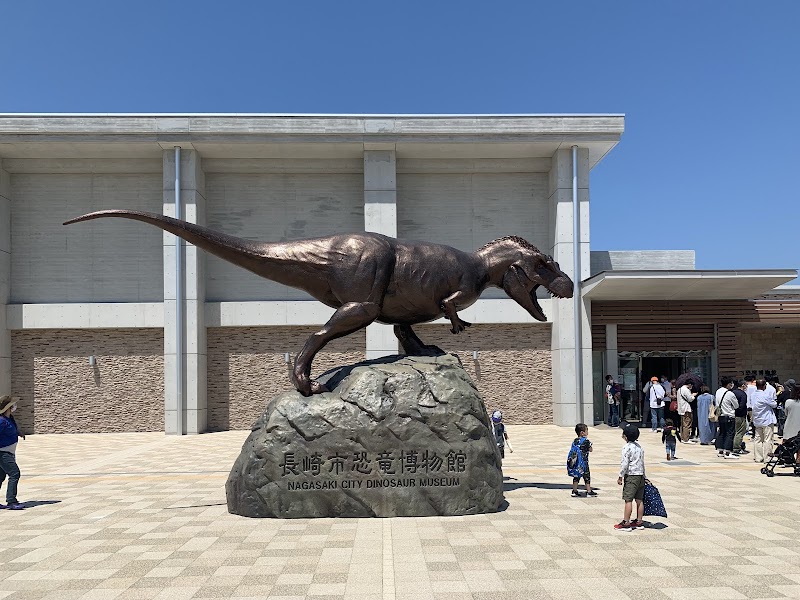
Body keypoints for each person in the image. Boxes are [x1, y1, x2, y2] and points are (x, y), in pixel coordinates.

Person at [614, 424, 645, 531]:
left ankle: (626, 522)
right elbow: (642, 462)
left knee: (628, 499)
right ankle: (639, 521)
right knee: (639, 499)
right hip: (640, 475)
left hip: (631, 476)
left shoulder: (626, 447)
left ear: (625, 436)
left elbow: (624, 463)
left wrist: (620, 476)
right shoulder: (639, 447)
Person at [0, 395, 25, 510]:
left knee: (0, 476)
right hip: (2, 453)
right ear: (8, 408)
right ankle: (11, 501)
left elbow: (12, 429)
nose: (15, 407)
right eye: (12, 405)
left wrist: (19, 432)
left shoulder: (10, 419)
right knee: (15, 473)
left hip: (8, 452)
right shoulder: (1, 421)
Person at [750, 379, 777, 463]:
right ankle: (767, 458)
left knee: (757, 439)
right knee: (768, 439)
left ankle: (758, 457)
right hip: (766, 420)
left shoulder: (753, 395)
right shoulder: (765, 395)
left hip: (757, 419)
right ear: (764, 386)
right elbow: (774, 404)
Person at [715, 377, 739, 459]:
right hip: (729, 415)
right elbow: (736, 405)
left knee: (722, 432)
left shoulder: (718, 391)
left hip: (720, 415)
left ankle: (720, 450)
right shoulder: (730, 394)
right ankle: (728, 452)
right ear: (728, 384)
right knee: (730, 433)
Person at [571, 423, 596, 497]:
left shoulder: (575, 440)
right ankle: (588, 491)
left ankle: (574, 490)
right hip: (584, 462)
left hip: (576, 462)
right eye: (586, 430)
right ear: (582, 433)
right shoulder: (586, 441)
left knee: (576, 476)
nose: (587, 432)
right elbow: (590, 450)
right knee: (587, 476)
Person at [732, 380, 750, 455]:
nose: (747, 387)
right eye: (746, 385)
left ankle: (732, 446)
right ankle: (737, 447)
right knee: (740, 432)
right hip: (740, 415)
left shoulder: (733, 392)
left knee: (734, 431)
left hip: (733, 414)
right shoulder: (743, 394)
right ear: (743, 385)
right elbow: (742, 406)